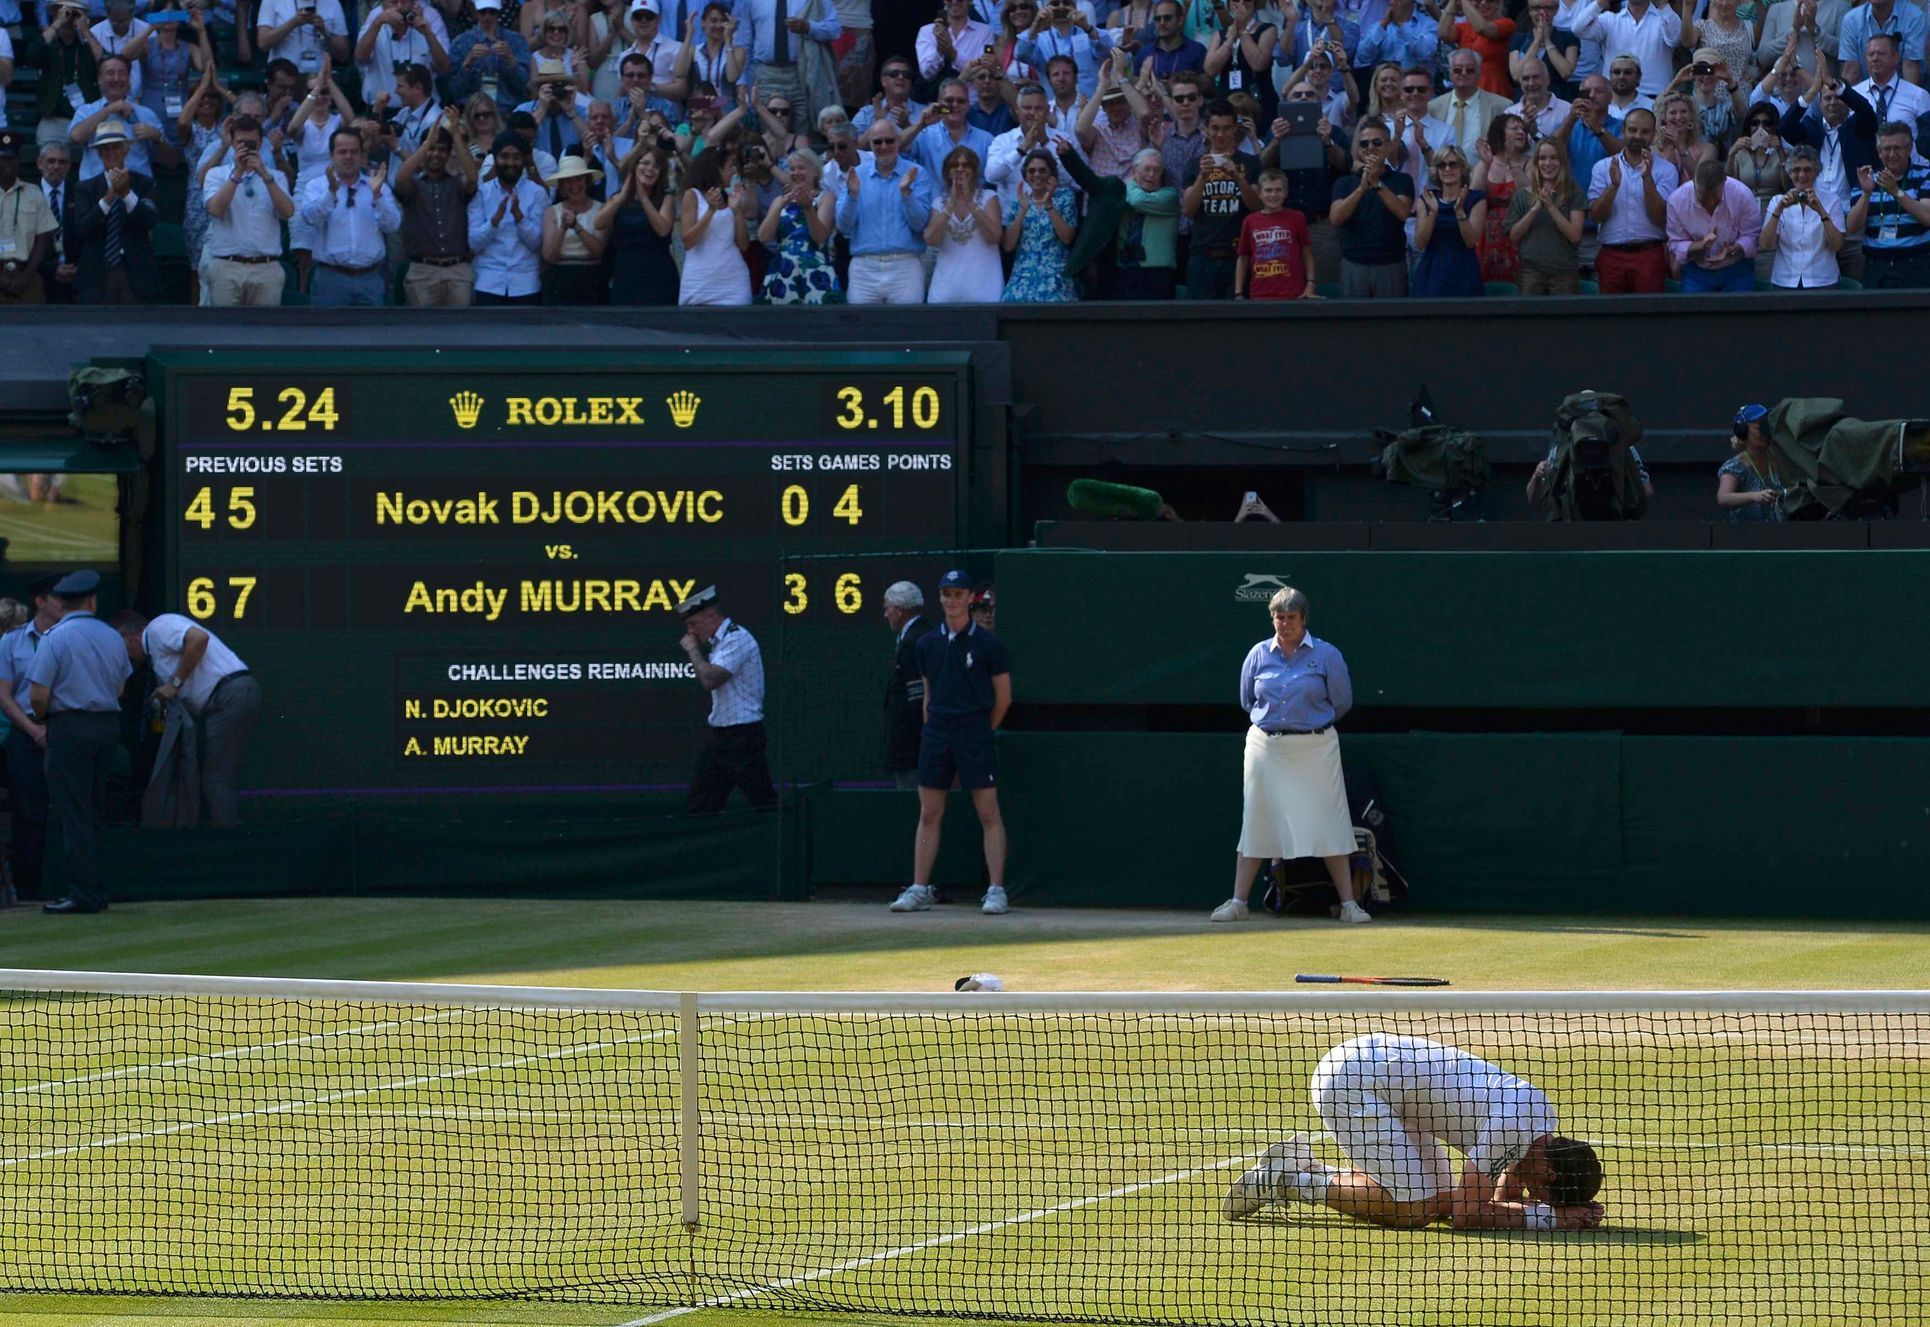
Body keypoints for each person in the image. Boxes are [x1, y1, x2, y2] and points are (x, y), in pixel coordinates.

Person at [1222, 1034, 1606, 1234]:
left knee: (1435, 1198)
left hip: (1387, 1084)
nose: (1533, 1196)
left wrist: (1538, 1209)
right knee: (1416, 1209)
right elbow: (1467, 1216)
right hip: (1354, 1082)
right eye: (1543, 1196)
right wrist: (1551, 1220)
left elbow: (1501, 1196)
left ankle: (1309, 1169)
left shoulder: (1540, 1120)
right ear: (1550, 1174)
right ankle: (1284, 1180)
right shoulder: (1513, 1129)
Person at [1211, 586, 1368, 925]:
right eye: (1279, 617)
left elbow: (1341, 702)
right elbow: (1247, 701)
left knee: (1329, 821)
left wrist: (1306, 726)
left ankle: (1349, 904)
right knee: (1256, 820)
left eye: (1291, 618)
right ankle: (1239, 902)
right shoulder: (1257, 654)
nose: (1285, 624)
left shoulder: (1326, 655)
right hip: (1265, 748)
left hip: (1315, 748)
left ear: (1303, 619)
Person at [892, 569, 1011, 917]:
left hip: (974, 730)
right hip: (937, 733)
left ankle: (996, 890)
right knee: (929, 813)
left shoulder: (989, 644)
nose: (951, 600)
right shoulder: (927, 644)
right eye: (946, 593)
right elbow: (929, 695)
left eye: (957, 593)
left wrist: (980, 729)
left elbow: (1003, 698)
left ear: (968, 598)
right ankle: (918, 888)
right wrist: (935, 731)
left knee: (988, 812)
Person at [26, 570, 131, 916]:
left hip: (70, 727)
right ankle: (96, 889)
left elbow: (38, 695)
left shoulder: (55, 638)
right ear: (92, 600)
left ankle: (84, 893)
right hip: (106, 725)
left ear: (62, 602)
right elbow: (120, 688)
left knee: (73, 813)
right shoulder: (113, 637)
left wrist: (45, 720)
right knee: (92, 809)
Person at [113, 610, 258, 827]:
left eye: (120, 645)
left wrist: (174, 684)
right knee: (211, 774)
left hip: (229, 694)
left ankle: (229, 842)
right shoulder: (154, 659)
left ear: (130, 636)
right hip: (220, 702)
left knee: (215, 778)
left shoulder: (158, 627)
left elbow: (199, 639)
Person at [677, 585, 778, 815]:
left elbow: (710, 678)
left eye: (693, 624)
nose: (690, 633)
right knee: (698, 808)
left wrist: (692, 651)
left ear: (712, 616)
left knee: (765, 803)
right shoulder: (719, 644)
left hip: (743, 737)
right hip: (719, 737)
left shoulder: (737, 638)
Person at [0, 575, 60, 903]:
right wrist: (32, 729)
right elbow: (5, 695)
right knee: (28, 813)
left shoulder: (69, 637)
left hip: (62, 731)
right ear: (41, 600)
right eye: (57, 596)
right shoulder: (11, 642)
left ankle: (65, 882)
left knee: (66, 809)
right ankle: (28, 888)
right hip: (25, 735)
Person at [299, 124, 401, 304]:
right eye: (342, 152)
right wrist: (331, 192)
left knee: (372, 332)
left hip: (370, 278)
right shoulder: (316, 186)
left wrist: (377, 196)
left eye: (354, 152)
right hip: (331, 278)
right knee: (327, 332)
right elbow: (310, 219)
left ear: (362, 156)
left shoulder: (378, 186)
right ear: (331, 156)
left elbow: (392, 225)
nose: (348, 157)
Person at [202, 112, 294, 306]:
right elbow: (216, 210)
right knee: (226, 332)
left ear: (260, 144)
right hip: (227, 266)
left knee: (266, 334)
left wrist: (264, 174)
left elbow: (288, 213)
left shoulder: (276, 177)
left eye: (251, 143)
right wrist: (237, 173)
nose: (246, 147)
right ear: (233, 144)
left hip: (266, 267)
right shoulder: (216, 175)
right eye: (241, 143)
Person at [836, 119, 932, 303]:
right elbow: (843, 226)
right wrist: (852, 196)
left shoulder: (917, 174)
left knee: (906, 330)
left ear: (898, 141)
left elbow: (920, 224)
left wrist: (906, 194)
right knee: (861, 329)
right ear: (870, 145)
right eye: (877, 142)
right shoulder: (856, 175)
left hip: (906, 264)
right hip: (864, 267)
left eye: (889, 141)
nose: (884, 146)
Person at [1588, 106, 1678, 292]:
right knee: (1610, 318)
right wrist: (1613, 187)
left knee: (1648, 318)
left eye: (1644, 131)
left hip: (1649, 254)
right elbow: (1596, 216)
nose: (1637, 136)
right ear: (1623, 131)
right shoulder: (1602, 167)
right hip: (1611, 254)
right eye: (1632, 130)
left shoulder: (1666, 170)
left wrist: (1647, 178)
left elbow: (1659, 217)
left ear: (1653, 135)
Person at [72, 117, 160, 304]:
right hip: (97, 274)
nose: (111, 153)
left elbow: (149, 221)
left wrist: (126, 194)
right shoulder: (85, 188)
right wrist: (109, 197)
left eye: (116, 147)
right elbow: (82, 229)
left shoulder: (144, 184)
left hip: (134, 274)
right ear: (99, 154)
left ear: (125, 150)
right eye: (105, 149)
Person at [1180, 99, 1261, 297]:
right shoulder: (1194, 164)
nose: (1220, 134)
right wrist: (1202, 177)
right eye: (1215, 128)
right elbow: (1188, 211)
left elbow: (1258, 207)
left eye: (1226, 128)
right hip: (1202, 254)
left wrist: (1238, 178)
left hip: (1238, 255)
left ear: (1235, 129)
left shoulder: (1250, 163)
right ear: (1205, 129)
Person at [1330, 117, 1414, 295]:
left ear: (1389, 145)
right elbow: (1335, 218)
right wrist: (1361, 188)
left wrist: (1377, 184)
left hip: (1391, 264)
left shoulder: (1402, 180)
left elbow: (1403, 213)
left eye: (1377, 142)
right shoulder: (1344, 183)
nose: (1370, 148)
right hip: (1353, 263)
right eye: (1364, 144)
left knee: (1393, 322)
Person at [1847, 121, 1930, 286]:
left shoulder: (1925, 175)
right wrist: (1866, 194)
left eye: (1898, 148)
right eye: (1887, 149)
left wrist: (1896, 192)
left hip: (1916, 266)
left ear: (1909, 149)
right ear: (1879, 152)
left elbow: (1928, 217)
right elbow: (1852, 227)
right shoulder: (1867, 179)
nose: (1892, 154)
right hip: (1876, 267)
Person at [597, 142, 679, 301]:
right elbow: (598, 223)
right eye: (645, 163)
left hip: (658, 275)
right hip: (626, 274)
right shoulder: (619, 198)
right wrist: (620, 198)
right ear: (635, 167)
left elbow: (663, 230)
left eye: (656, 166)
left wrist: (643, 198)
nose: (650, 169)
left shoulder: (666, 199)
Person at [1507, 134, 1587, 291]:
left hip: (1564, 271)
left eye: (1554, 158)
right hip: (1531, 271)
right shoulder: (1522, 195)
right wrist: (1535, 209)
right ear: (1536, 162)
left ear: (1562, 162)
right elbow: (1514, 236)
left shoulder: (1574, 192)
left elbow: (1575, 237)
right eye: (1542, 158)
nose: (1548, 163)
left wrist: (1551, 207)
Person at [925, 142, 1004, 301]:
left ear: (974, 171)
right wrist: (951, 204)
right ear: (947, 172)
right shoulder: (938, 203)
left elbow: (994, 237)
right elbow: (931, 239)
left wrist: (970, 202)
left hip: (985, 288)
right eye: (954, 165)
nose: (960, 169)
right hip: (945, 289)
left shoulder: (989, 198)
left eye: (966, 165)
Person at [1666, 156, 1760, 289]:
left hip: (1737, 268)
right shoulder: (1676, 201)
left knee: (1742, 309)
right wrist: (1700, 246)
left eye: (1715, 198)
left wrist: (1731, 251)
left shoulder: (1742, 195)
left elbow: (1752, 236)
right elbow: (1675, 243)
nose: (1710, 203)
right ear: (1693, 182)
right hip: (1696, 270)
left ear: (1725, 182)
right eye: (1703, 198)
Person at [1759, 143, 1846, 284]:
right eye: (1796, 170)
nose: (1801, 175)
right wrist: (1778, 210)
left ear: (1817, 172)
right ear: (1789, 172)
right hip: (1785, 281)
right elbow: (1765, 245)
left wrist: (1821, 211)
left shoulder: (1832, 200)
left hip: (1822, 281)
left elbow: (1837, 245)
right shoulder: (1777, 201)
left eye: (1807, 170)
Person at [678, 146, 752, 303]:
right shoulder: (692, 195)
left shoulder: (730, 198)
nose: (733, 171)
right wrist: (711, 210)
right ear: (716, 169)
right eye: (730, 166)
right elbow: (687, 242)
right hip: (699, 283)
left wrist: (738, 211)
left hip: (734, 283)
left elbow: (744, 245)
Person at [1002, 146, 1078, 299]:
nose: (1037, 175)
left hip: (1055, 278)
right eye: (1031, 171)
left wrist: (1049, 204)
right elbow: (1008, 246)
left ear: (1051, 174)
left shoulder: (1064, 197)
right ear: (1025, 175)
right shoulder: (1020, 203)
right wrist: (1023, 210)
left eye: (1042, 170)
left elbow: (1067, 237)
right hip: (1022, 279)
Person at [882, 580, 935, 791]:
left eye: (887, 608)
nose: (885, 615)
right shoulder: (925, 634)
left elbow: (917, 698)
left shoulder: (913, 642)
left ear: (900, 610)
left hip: (912, 748)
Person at [1567, 0, 1682, 97]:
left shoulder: (1663, 18)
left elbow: (1676, 38)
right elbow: (1578, 29)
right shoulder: (1610, 19)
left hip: (1655, 96)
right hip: (1616, 97)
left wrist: (1663, 4)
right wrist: (1600, 3)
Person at [1235, 167, 1315, 298]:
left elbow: (1306, 253)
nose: (1273, 195)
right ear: (1260, 193)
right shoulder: (1250, 221)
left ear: (1285, 193)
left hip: (1293, 293)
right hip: (1260, 293)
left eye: (1278, 190)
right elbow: (1243, 257)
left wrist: (1311, 283)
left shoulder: (1297, 218)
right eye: (1268, 190)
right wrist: (1238, 292)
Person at [0, 130, 59, 305]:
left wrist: (26, 276)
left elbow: (42, 239)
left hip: (26, 274)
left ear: (19, 161)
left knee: (37, 328)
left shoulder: (33, 193)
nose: (7, 164)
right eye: (3, 159)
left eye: (11, 159)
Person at [447, 0, 532, 115]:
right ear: (475, 12)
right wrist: (468, 62)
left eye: (492, 12)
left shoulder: (516, 41)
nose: (487, 16)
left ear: (499, 12)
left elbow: (524, 87)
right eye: (482, 12)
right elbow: (454, 90)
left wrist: (511, 59)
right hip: (472, 114)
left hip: (508, 112)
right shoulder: (460, 43)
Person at [1431, 49, 1510, 155]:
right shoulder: (1433, 107)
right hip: (1445, 170)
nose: (1463, 73)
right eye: (1458, 70)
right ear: (1450, 74)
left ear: (1479, 73)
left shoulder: (1501, 106)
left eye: (1470, 70)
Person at [1717, 401, 1787, 520]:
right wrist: (1754, 496)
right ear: (1743, 431)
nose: (1765, 432)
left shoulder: (1778, 460)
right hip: (1747, 534)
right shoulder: (1735, 466)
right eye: (1760, 427)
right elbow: (1723, 498)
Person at [1436, 0, 1516, 96]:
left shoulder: (1507, 23)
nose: (1483, 3)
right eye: (1477, 0)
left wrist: (1464, 2)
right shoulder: (1465, 27)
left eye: (1490, 1)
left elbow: (1482, 28)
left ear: (1498, 3)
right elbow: (1443, 33)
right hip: (1468, 87)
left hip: (1493, 88)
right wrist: (1452, 4)